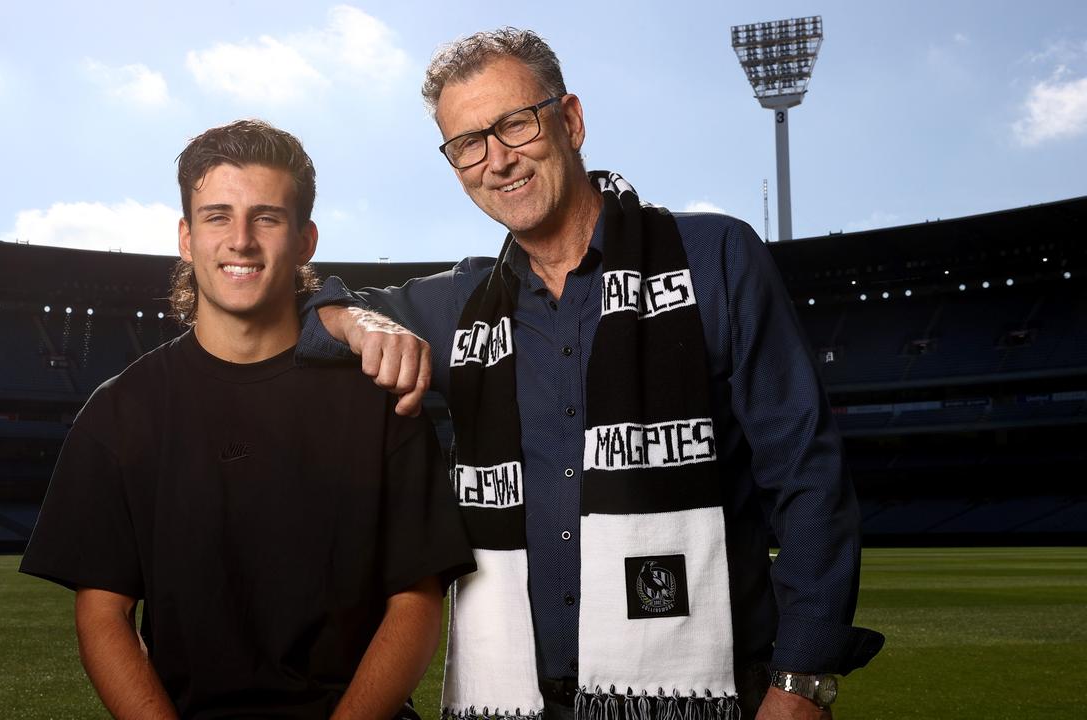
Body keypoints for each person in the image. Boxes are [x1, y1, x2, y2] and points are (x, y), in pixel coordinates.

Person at [301, 29, 883, 720]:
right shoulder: (458, 304)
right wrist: (356, 319)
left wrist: (802, 683)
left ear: (571, 121)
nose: (497, 159)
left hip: (707, 695)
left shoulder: (716, 257)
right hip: (516, 701)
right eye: (467, 144)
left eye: (515, 123)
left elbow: (809, 476)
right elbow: (304, 316)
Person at [20, 119, 476, 720]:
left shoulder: (382, 395)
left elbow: (415, 603)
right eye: (216, 217)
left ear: (305, 239)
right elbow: (103, 614)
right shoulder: (120, 410)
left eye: (266, 217)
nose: (240, 240)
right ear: (186, 238)